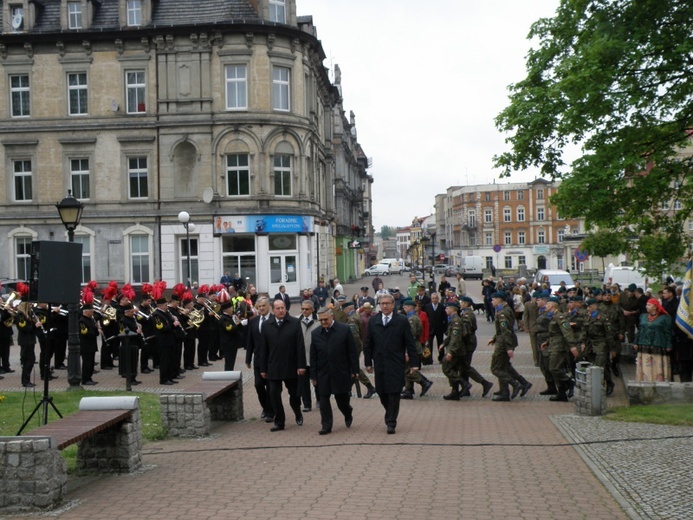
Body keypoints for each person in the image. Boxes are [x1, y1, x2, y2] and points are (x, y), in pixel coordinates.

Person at [364, 293, 419, 434]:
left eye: (388, 303)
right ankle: (390, 412)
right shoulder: (374, 320)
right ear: (379, 305)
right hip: (380, 363)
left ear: (393, 305)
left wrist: (414, 363)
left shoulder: (401, 320)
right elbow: (368, 343)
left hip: (396, 362)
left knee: (394, 392)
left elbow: (410, 343)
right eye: (382, 303)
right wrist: (368, 362)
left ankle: (391, 422)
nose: (385, 306)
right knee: (382, 392)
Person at [258, 299, 307, 432]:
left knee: (295, 395)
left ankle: (297, 411)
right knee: (274, 394)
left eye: (282, 308)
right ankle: (279, 422)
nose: (281, 310)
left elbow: (300, 346)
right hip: (273, 367)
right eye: (278, 308)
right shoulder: (267, 325)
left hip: (291, 366)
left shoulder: (294, 323)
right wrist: (263, 368)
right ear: (273, 310)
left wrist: (301, 365)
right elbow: (263, 348)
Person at [310, 307, 359, 435]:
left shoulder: (344, 329)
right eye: (321, 320)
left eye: (326, 319)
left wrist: (355, 370)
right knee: (323, 399)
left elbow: (352, 352)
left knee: (341, 399)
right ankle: (326, 425)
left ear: (332, 317)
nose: (323, 322)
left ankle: (347, 413)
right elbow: (313, 356)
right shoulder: (315, 334)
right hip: (323, 372)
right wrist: (313, 375)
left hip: (340, 371)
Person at [441, 301, 493, 400]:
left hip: (464, 345)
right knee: (460, 367)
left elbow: (461, 334)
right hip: (461, 346)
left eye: (462, 302)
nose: (461, 303)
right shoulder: (460, 316)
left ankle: (466, 385)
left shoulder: (464, 316)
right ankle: (458, 390)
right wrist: (445, 343)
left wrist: (451, 350)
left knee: (460, 367)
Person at [488, 291, 531, 401]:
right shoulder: (503, 310)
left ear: (500, 300)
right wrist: (494, 338)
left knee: (496, 368)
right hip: (503, 340)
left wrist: (508, 348)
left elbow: (506, 331)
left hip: (504, 343)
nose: (492, 301)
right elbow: (501, 329)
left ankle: (515, 384)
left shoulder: (503, 313)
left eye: (494, 299)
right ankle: (506, 390)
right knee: (504, 366)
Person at [542, 296, 579, 401]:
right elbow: (554, 333)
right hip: (553, 345)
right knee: (555, 368)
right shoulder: (553, 316)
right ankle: (562, 393)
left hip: (559, 346)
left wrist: (572, 346)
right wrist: (547, 342)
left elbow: (567, 332)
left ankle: (570, 383)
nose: (546, 306)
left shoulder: (560, 317)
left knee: (554, 368)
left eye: (548, 304)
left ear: (553, 305)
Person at [245, 296, 274, 423]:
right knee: (258, 385)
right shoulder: (254, 321)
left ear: (269, 307)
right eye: (259, 306)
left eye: (264, 306)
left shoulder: (275, 320)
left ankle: (271, 411)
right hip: (258, 359)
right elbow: (250, 341)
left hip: (272, 360)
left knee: (271, 386)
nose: (261, 308)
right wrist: (247, 358)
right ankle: (266, 407)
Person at [401, 299, 434, 399]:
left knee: (406, 369)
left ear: (410, 307)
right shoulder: (413, 317)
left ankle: (424, 382)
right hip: (414, 345)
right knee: (408, 367)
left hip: (412, 346)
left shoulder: (411, 319)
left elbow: (410, 335)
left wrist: (406, 350)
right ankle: (408, 390)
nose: (404, 308)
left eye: (405, 307)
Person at [634, 298, 672, 382]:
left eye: (649, 305)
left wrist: (669, 344)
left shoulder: (665, 318)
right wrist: (636, 342)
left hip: (658, 345)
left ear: (655, 306)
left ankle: (658, 382)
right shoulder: (643, 316)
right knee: (645, 366)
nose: (646, 306)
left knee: (657, 365)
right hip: (644, 345)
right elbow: (640, 330)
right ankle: (645, 381)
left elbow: (668, 332)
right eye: (646, 304)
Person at [299, 300, 320, 412]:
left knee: (317, 380)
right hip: (302, 357)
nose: (304, 311)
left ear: (312, 310)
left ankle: (320, 399)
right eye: (302, 309)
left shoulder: (318, 321)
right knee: (303, 382)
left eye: (307, 309)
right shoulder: (297, 321)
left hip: (315, 357)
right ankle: (307, 404)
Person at [78, 304, 100, 386]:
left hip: (92, 344)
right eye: (91, 312)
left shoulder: (91, 319)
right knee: (87, 363)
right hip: (86, 345)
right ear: (86, 312)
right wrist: (95, 329)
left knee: (91, 363)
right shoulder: (82, 321)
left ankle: (89, 378)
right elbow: (85, 333)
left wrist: (97, 329)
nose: (92, 313)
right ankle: (85, 379)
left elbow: (95, 333)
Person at [425, 292, 448, 363]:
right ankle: (428, 359)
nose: (435, 300)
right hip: (430, 329)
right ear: (431, 299)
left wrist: (445, 329)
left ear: (438, 299)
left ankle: (441, 358)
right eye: (433, 298)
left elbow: (445, 319)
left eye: (436, 298)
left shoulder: (442, 307)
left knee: (440, 344)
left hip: (439, 328)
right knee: (429, 345)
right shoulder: (427, 307)